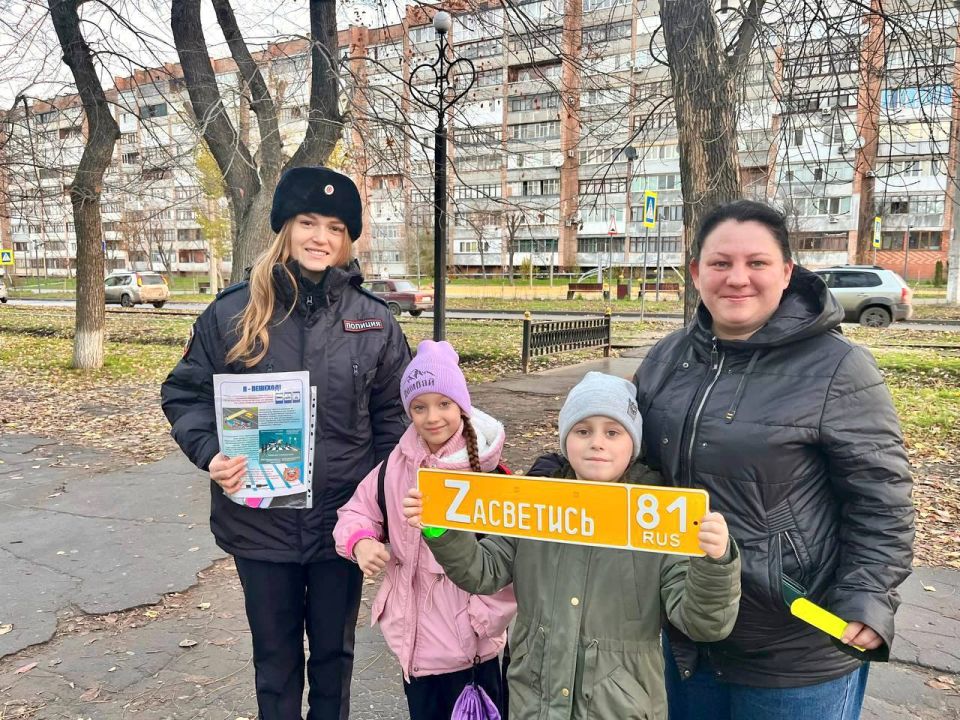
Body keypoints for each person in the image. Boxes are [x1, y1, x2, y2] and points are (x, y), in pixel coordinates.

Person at [633, 200, 915, 720]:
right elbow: (634, 467)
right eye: (720, 263)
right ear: (696, 273)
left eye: (757, 263)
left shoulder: (838, 367)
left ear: (786, 272)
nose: (737, 278)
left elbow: (883, 500)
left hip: (796, 643)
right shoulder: (668, 358)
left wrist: (868, 598)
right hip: (690, 629)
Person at [160, 166, 411, 720]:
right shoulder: (232, 313)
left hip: (342, 525)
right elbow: (185, 396)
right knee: (273, 663)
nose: (321, 237)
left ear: (348, 239)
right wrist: (212, 456)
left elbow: (395, 421)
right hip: (260, 522)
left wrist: (381, 511)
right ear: (284, 228)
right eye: (308, 222)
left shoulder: (374, 320)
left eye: (336, 227)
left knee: (333, 658)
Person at [403, 372, 742, 720]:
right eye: (583, 431)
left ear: (633, 444)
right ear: (566, 441)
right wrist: (440, 532)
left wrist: (715, 563)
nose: (597, 443)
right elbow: (482, 574)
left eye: (612, 432)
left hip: (620, 707)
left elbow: (703, 623)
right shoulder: (534, 506)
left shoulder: (658, 520)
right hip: (535, 700)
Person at [333, 339, 516, 720]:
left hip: (469, 651)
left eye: (444, 404)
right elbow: (357, 511)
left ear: (461, 406)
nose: (432, 417)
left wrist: (483, 620)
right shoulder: (393, 469)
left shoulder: (488, 475)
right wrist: (361, 542)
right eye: (420, 407)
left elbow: (508, 558)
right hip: (412, 647)